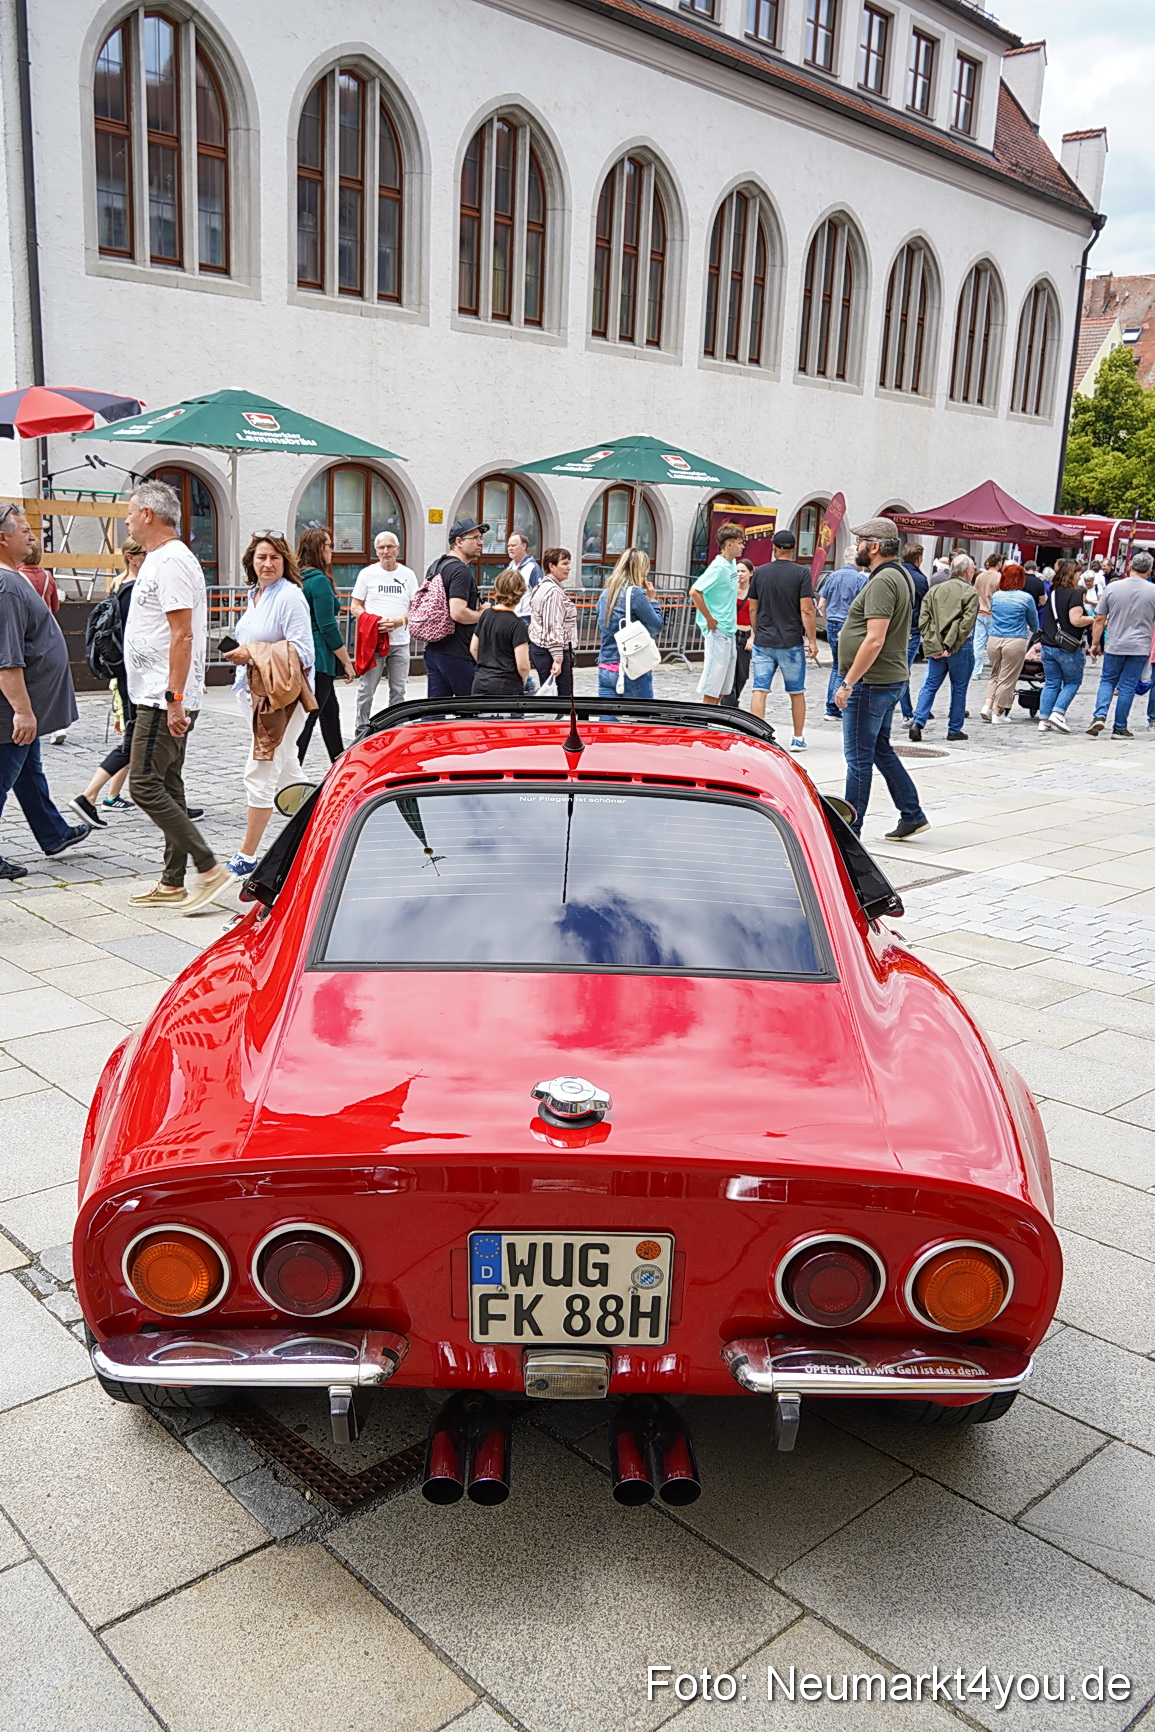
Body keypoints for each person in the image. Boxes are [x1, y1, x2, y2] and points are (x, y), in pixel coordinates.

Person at [121, 480, 226, 912]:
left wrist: (174, 697)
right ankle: (171, 883)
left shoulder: (173, 562)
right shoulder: (159, 559)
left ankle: (209, 868)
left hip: (161, 697)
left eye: (130, 512)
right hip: (155, 692)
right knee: (167, 782)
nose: (125, 519)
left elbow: (182, 635)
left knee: (144, 784)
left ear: (148, 513)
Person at [0, 504, 89, 878]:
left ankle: (53, 833)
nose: (32, 536)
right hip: (12, 710)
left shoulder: (13, 579)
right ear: (2, 538)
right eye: (25, 530)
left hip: (25, 707)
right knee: (2, 779)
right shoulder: (5, 587)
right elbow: (7, 659)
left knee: (28, 771)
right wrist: (22, 711)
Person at [221, 533, 316, 875]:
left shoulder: (290, 596)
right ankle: (320, 836)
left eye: (275, 558)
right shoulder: (256, 595)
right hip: (256, 695)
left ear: (285, 562)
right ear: (251, 562)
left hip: (283, 701)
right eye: (262, 557)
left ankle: (247, 856)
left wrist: (253, 653)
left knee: (260, 771)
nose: (268, 563)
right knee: (290, 771)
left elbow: (304, 652)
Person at [833, 517, 929, 841]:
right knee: (879, 750)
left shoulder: (884, 581)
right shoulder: (897, 575)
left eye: (861, 541)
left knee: (858, 759)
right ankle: (912, 814)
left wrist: (848, 682)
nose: (857, 547)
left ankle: (850, 831)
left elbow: (874, 638)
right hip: (887, 679)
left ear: (874, 547)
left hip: (872, 683)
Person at [69, 539, 158, 825]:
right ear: (132, 557)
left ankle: (171, 799)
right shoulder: (133, 591)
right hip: (135, 676)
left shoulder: (119, 584)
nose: (151, 556)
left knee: (146, 740)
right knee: (134, 741)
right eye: (146, 552)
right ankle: (89, 796)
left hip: (125, 676)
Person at [747, 528, 818, 748]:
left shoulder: (760, 572)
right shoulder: (801, 573)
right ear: (794, 549)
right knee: (796, 691)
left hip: (764, 640)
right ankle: (797, 738)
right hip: (791, 640)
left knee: (760, 689)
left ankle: (757, 737)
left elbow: (752, 608)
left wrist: (756, 630)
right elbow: (806, 609)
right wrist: (813, 640)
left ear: (774, 548)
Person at [296, 526, 355, 764]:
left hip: (310, 654)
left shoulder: (300, 576)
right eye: (328, 545)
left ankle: (338, 760)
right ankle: (292, 769)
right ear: (318, 549)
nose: (332, 549)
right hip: (320, 656)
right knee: (310, 717)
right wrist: (346, 661)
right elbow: (327, 626)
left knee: (330, 712)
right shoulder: (318, 581)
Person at [908, 555, 979, 742]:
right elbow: (966, 624)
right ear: (967, 571)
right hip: (960, 647)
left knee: (930, 684)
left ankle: (918, 721)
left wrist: (934, 644)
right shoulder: (970, 592)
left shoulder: (936, 590)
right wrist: (951, 645)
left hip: (937, 646)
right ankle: (954, 729)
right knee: (959, 688)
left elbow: (924, 620)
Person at [351, 531, 417, 727]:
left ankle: (394, 727)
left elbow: (416, 608)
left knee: (398, 690)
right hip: (374, 642)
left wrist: (401, 621)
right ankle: (361, 728)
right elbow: (355, 605)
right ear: (376, 550)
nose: (386, 551)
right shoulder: (367, 574)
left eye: (390, 547)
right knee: (366, 689)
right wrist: (372, 622)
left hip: (400, 642)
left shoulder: (408, 574)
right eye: (381, 547)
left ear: (397, 549)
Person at [1087, 550, 1155, 739]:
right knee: (1127, 686)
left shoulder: (1113, 588)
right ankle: (1120, 726)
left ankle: (1099, 715)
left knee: (1107, 680)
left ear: (1130, 567)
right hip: (1140, 646)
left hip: (1115, 642)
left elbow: (1099, 618)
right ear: (1149, 571)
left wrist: (1095, 643)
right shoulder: (1153, 591)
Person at [424, 519, 488, 698]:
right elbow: (458, 612)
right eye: (475, 538)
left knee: (435, 713)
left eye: (481, 537)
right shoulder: (461, 571)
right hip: (457, 652)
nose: (480, 542)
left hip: (434, 650)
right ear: (459, 542)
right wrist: (482, 614)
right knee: (471, 711)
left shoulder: (436, 565)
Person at [596, 548, 664, 699]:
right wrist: (652, 600)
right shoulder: (635, 593)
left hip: (606, 667)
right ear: (641, 569)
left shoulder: (606, 593)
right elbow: (656, 625)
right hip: (632, 669)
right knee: (639, 719)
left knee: (608, 721)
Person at [690, 522, 744, 708]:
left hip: (729, 631)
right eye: (739, 542)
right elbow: (695, 592)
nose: (742, 546)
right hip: (718, 632)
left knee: (723, 685)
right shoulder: (718, 567)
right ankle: (705, 721)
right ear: (729, 544)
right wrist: (709, 619)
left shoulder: (731, 564)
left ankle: (714, 719)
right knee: (713, 683)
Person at [1037, 559, 1093, 735]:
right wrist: (1092, 619)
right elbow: (1075, 620)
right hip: (1066, 646)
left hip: (1048, 643)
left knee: (1051, 682)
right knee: (1073, 681)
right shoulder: (1074, 594)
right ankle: (1058, 712)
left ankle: (1044, 719)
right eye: (1078, 573)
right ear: (1072, 574)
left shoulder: (1053, 591)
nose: (1080, 577)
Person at [981, 565, 1039, 724]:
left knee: (995, 673)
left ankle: (987, 705)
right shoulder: (1026, 598)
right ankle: (998, 712)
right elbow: (1034, 624)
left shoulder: (997, 596)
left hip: (994, 639)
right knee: (1007, 678)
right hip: (1015, 640)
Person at [817, 547, 868, 719]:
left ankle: (831, 707)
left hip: (832, 624)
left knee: (837, 666)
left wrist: (827, 616)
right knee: (847, 667)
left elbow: (821, 603)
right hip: (849, 626)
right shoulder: (861, 580)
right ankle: (835, 707)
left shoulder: (833, 576)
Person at [470, 567, 532, 697]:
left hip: (481, 682)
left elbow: (474, 648)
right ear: (520, 592)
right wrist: (523, 680)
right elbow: (523, 665)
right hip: (506, 686)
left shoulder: (486, 615)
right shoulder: (517, 624)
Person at [528, 547, 578, 698]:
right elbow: (553, 625)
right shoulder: (553, 591)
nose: (568, 567)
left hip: (542, 649)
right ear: (552, 566)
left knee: (552, 696)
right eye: (564, 563)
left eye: (569, 563)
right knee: (562, 700)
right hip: (551, 652)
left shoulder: (542, 586)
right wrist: (558, 658)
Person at [897, 544, 931, 723]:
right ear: (918, 559)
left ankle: (905, 711)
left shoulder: (895, 573)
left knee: (897, 670)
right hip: (912, 629)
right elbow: (925, 606)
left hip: (894, 629)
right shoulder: (919, 578)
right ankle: (907, 713)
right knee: (903, 673)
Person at [721, 557, 755, 709]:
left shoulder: (754, 592)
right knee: (729, 674)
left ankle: (732, 703)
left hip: (746, 635)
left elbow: (757, 615)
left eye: (743, 571)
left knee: (742, 674)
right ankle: (730, 707)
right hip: (731, 633)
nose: (740, 574)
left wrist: (753, 637)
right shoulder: (731, 590)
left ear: (751, 573)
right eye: (737, 571)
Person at [972, 553, 1005, 677]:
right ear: (998, 563)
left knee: (978, 643)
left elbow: (975, 592)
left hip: (980, 612)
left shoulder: (980, 576)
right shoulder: (999, 577)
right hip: (994, 614)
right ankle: (995, 670)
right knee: (994, 644)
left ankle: (976, 671)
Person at [507, 530, 543, 621]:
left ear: (524, 546)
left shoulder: (533, 568)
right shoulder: (510, 566)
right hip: (510, 615)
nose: (510, 548)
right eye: (509, 546)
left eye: (513, 545)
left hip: (525, 618)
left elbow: (539, 595)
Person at [17, 539, 60, 614]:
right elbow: (55, 607)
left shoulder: (15, 576)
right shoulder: (47, 576)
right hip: (45, 622)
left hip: (24, 623)